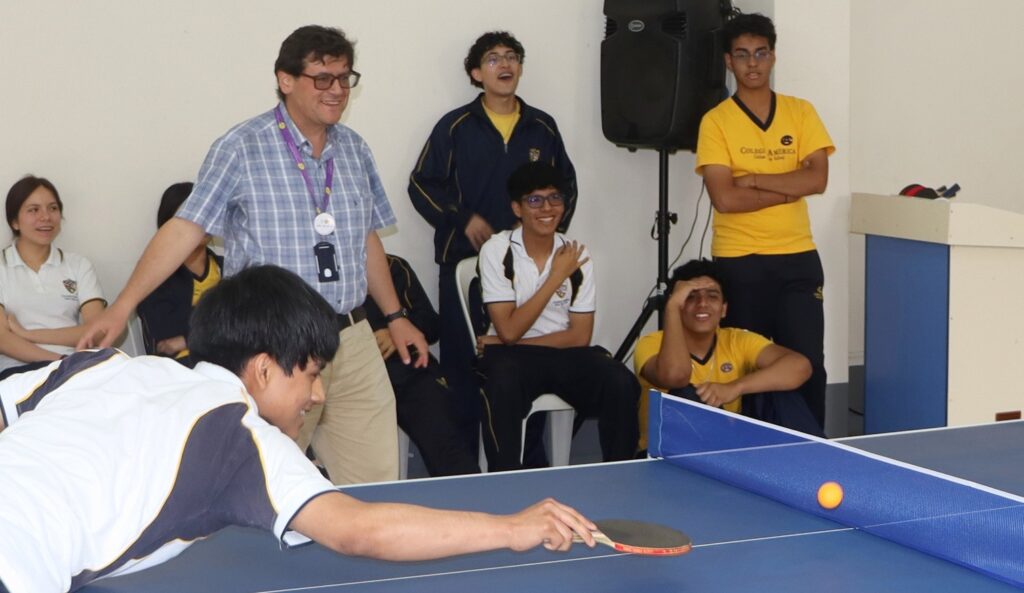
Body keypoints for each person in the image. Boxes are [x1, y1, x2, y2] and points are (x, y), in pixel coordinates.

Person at [0, 265, 597, 593]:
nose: (317, 394)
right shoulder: (239, 434)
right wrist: (512, 528)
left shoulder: (113, 365)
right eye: (310, 375)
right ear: (261, 368)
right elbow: (359, 530)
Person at [78, 25, 428, 485]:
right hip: (273, 348)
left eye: (345, 78)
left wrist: (395, 315)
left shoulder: (355, 150)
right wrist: (122, 307)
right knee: (261, 486)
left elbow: (365, 240)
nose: (337, 90)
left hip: (351, 338)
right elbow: (185, 228)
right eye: (323, 77)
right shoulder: (242, 146)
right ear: (286, 79)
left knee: (376, 487)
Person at [408, 31, 577, 451]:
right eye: (492, 59)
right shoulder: (456, 126)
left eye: (511, 57)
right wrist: (462, 219)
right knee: (466, 365)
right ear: (475, 73)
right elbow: (421, 185)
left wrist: (542, 237)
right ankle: (465, 461)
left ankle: (529, 458)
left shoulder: (542, 127)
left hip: (528, 271)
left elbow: (566, 189)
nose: (504, 65)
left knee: (526, 362)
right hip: (465, 264)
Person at [695, 12, 834, 432]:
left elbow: (818, 179)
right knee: (748, 364)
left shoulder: (800, 111)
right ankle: (753, 452)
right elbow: (725, 198)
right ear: (728, 62)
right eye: (742, 55)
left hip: (797, 257)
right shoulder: (716, 121)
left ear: (773, 57)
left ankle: (812, 449)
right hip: (740, 260)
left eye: (760, 54)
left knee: (807, 362)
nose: (752, 63)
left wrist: (754, 178)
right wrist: (790, 188)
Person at [476, 162, 638, 471]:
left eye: (555, 198)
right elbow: (509, 330)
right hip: (514, 361)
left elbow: (579, 337)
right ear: (517, 208)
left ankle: (621, 476)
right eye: (534, 200)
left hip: (563, 353)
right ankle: (503, 483)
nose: (547, 208)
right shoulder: (496, 251)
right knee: (502, 384)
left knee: (620, 380)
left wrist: (504, 340)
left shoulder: (576, 254)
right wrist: (555, 276)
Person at [634, 259, 820, 450]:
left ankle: (819, 462)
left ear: (723, 310)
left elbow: (800, 366)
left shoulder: (736, 340)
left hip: (727, 450)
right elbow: (675, 376)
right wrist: (671, 307)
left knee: (780, 391)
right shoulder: (651, 343)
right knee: (686, 394)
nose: (703, 303)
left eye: (712, 296)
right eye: (691, 297)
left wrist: (734, 387)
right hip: (666, 456)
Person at [361, 254, 479, 476]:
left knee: (443, 427)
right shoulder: (313, 273)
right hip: (352, 376)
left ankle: (471, 498)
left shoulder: (392, 266)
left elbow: (431, 325)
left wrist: (397, 330)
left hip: (406, 368)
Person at [0, 176, 106, 378]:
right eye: (33, 210)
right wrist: (59, 362)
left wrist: (27, 334)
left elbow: (97, 330)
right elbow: (2, 338)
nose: (45, 217)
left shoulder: (78, 265)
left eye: (53, 208)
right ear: (14, 221)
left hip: (76, 368)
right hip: (19, 372)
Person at [136, 182, 223, 367]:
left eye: (207, 213)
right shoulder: (155, 274)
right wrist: (222, 320)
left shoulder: (229, 267)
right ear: (168, 224)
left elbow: (250, 325)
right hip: (181, 369)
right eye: (190, 215)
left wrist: (185, 339)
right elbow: (164, 339)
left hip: (231, 363)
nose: (201, 222)